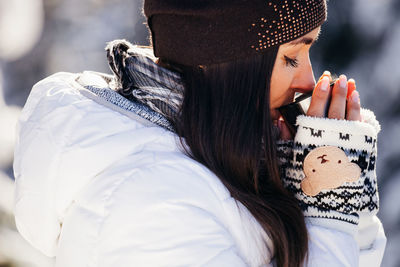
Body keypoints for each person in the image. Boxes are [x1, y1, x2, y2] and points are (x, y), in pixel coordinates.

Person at [13, 0, 386, 266]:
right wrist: (326, 217)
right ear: (228, 60)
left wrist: (332, 194)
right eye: (291, 57)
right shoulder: (153, 206)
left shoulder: (214, 161)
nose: (307, 80)